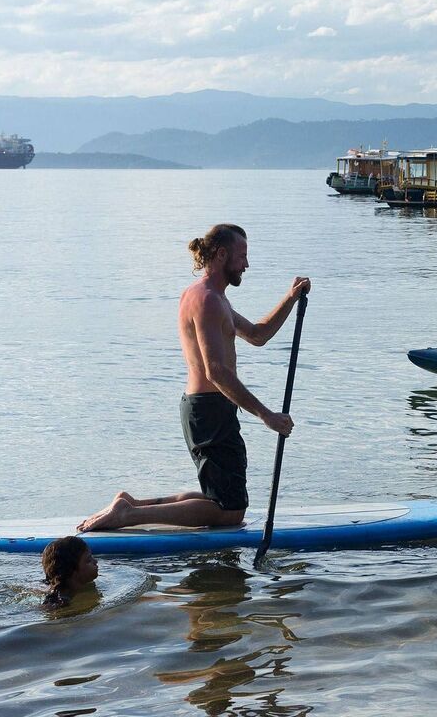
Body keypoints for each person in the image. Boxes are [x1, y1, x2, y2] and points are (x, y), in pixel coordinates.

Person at [78, 223, 310, 531]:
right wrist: (266, 415)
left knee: (217, 499)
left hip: (207, 409)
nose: (246, 265)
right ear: (221, 254)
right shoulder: (208, 301)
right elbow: (216, 372)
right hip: (209, 410)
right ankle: (128, 516)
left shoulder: (210, 297)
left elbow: (257, 335)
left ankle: (131, 504)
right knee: (230, 512)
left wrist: (291, 297)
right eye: (242, 256)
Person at [42, 536, 99, 609]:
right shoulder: (61, 602)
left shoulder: (83, 586)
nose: (95, 561)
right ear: (72, 571)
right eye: (88, 560)